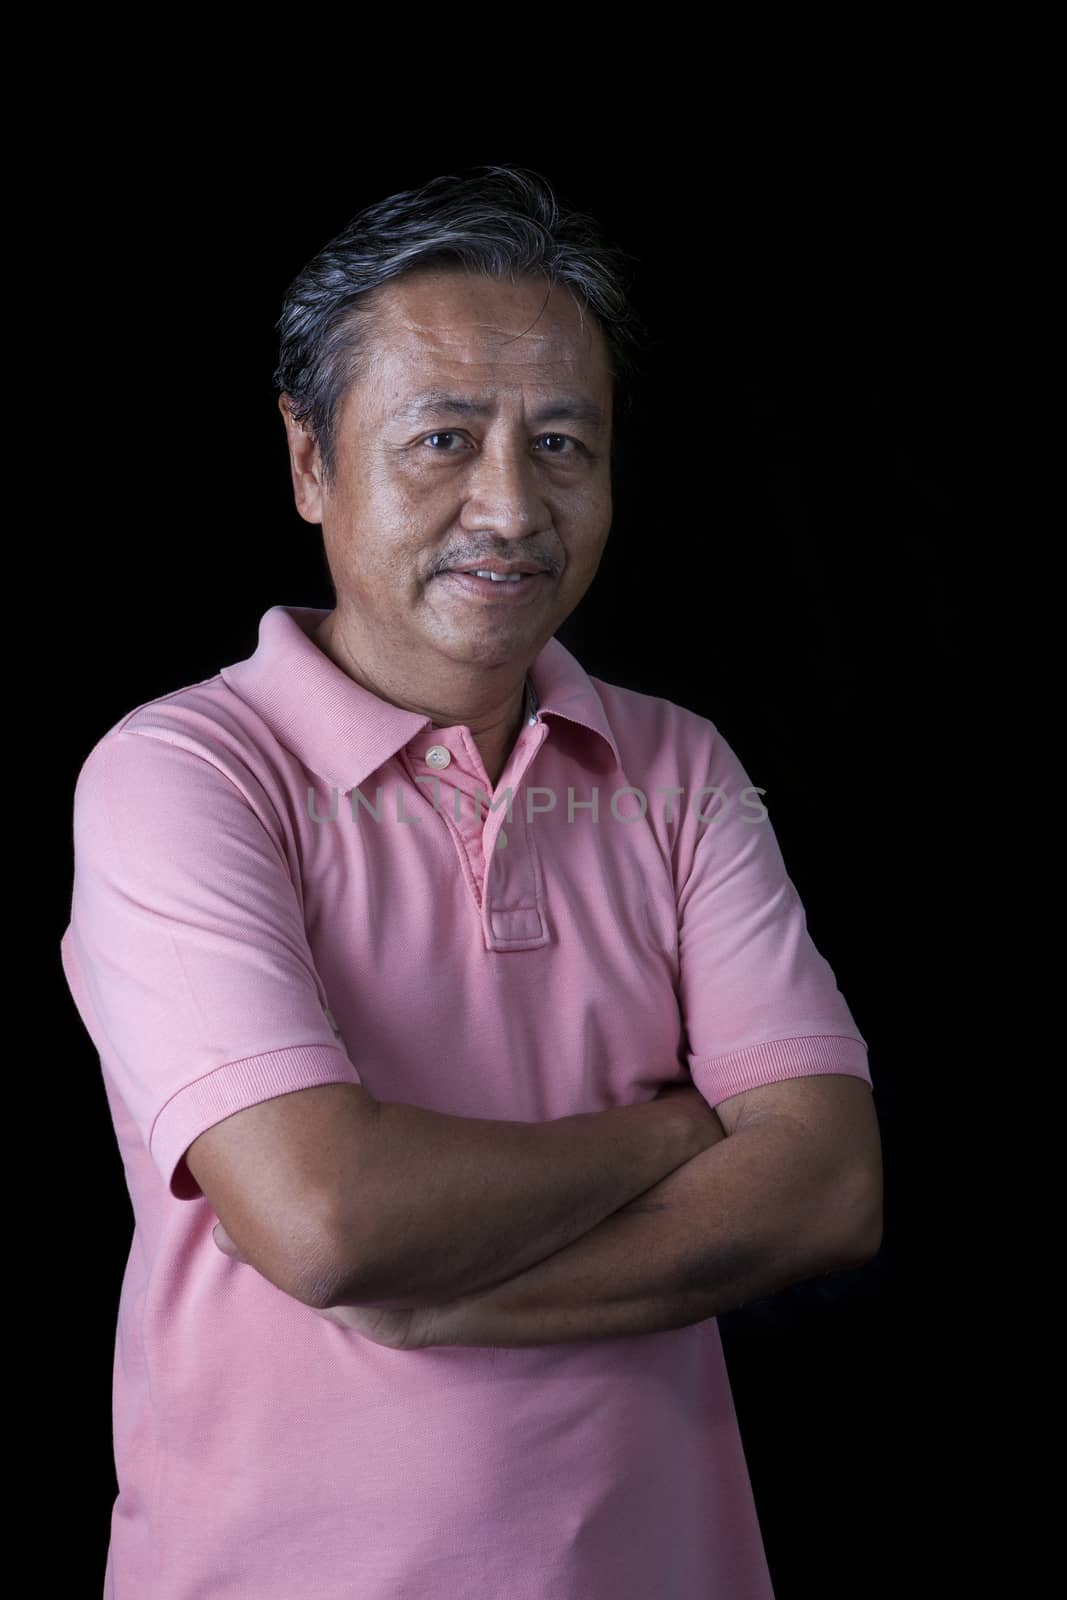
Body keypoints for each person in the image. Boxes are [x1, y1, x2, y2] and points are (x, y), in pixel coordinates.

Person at [60, 164, 883, 1600]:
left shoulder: (679, 768)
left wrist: (432, 1297)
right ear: (310, 461)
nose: (511, 505)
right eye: (444, 439)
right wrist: (673, 1133)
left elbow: (828, 1188)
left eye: (564, 443)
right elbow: (329, 1219)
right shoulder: (181, 774)